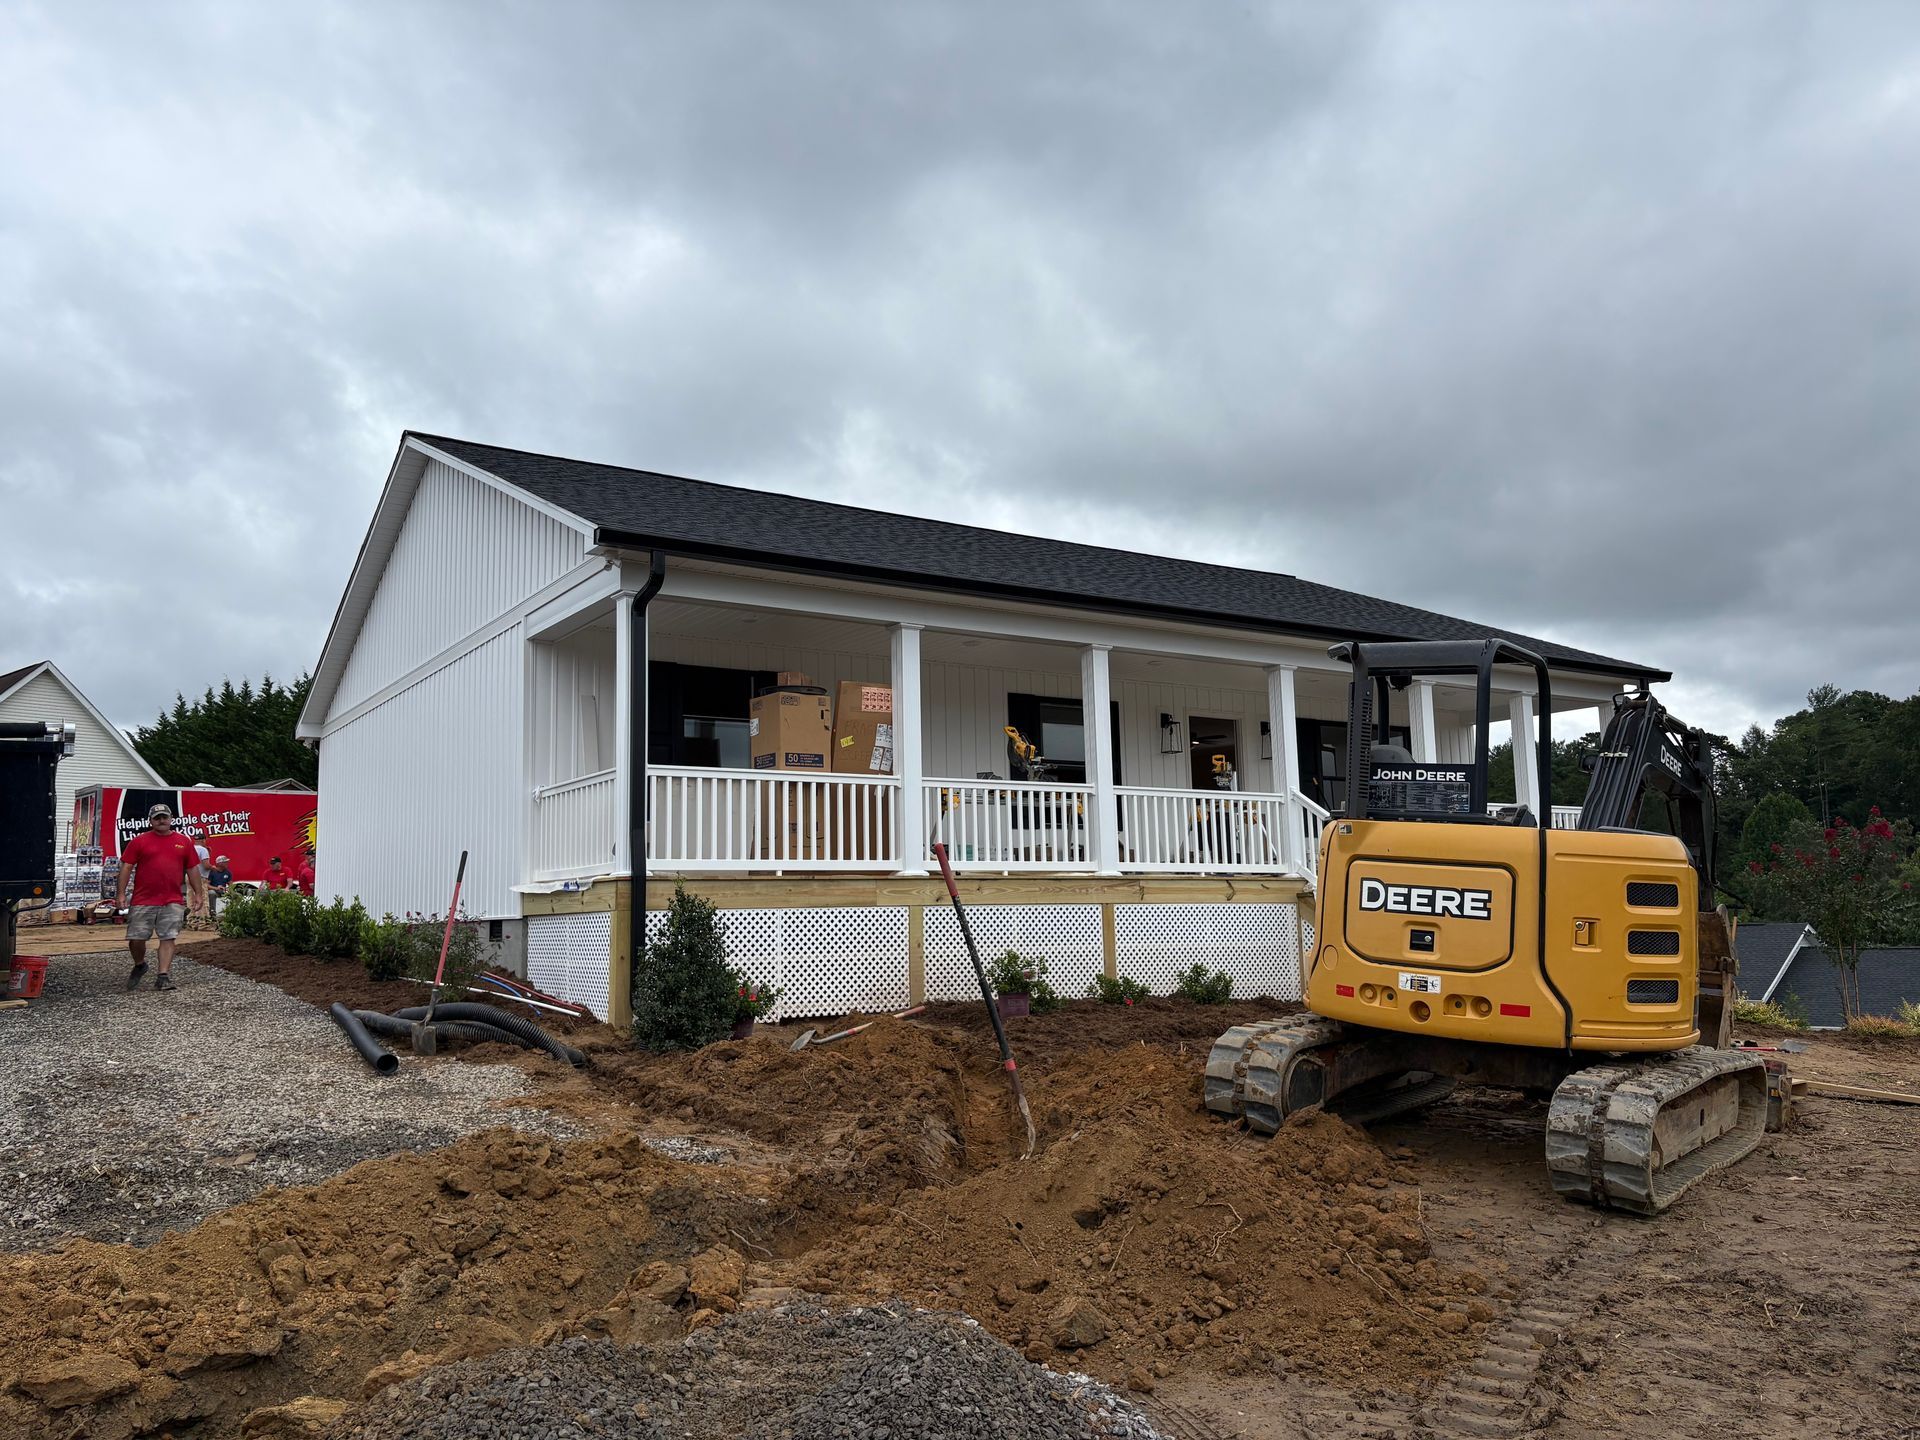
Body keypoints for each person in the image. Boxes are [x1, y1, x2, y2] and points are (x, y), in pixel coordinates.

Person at [115, 804, 206, 992]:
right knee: (136, 938)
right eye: (157, 818)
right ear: (150, 821)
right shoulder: (139, 841)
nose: (161, 821)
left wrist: (199, 893)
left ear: (171, 819)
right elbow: (126, 867)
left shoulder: (183, 841)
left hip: (172, 899)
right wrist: (121, 893)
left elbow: (192, 869)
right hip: (143, 899)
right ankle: (140, 964)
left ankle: (163, 976)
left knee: (168, 937)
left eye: (164, 817)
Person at [206, 854, 233, 919]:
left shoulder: (228, 872)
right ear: (220, 863)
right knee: (211, 893)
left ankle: (232, 913)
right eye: (225, 862)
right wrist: (216, 888)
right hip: (215, 890)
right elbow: (206, 885)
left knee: (236, 895)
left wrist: (229, 890)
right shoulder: (212, 872)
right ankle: (212, 914)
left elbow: (231, 884)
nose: (227, 863)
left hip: (223, 891)